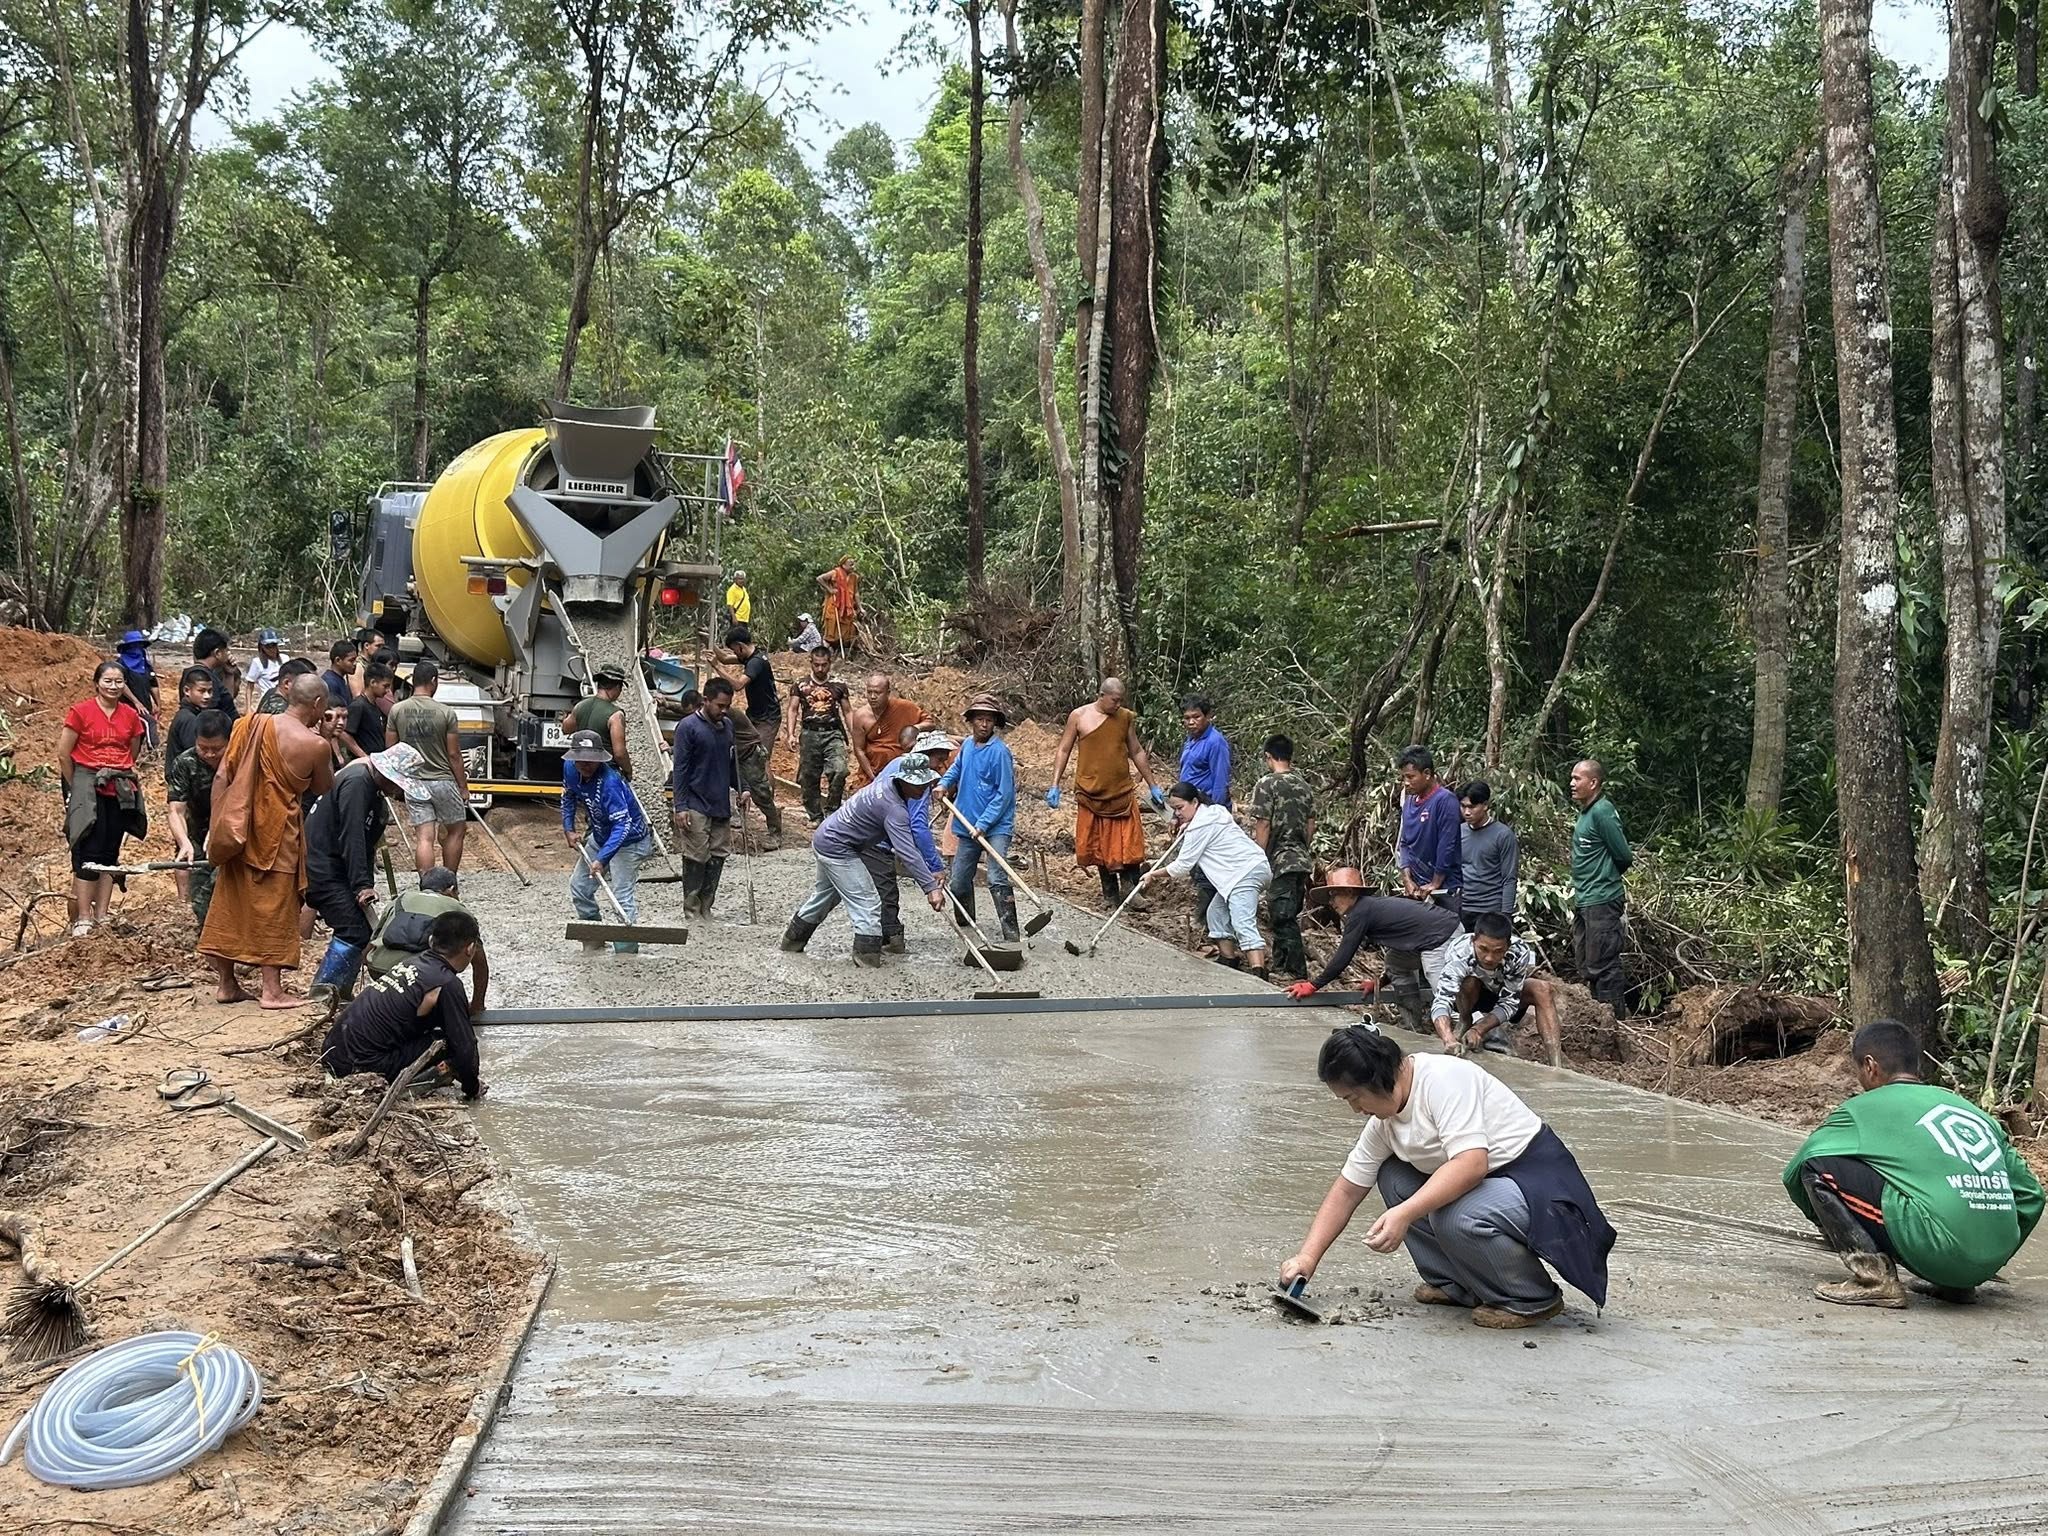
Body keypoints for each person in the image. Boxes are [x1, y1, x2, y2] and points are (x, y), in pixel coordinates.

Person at [1281, 1024, 1615, 1329]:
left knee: (1456, 1216)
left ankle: (1530, 1297)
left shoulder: (1442, 1079)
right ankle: (1457, 1284)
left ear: (1378, 1078)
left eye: (1354, 1098)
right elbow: (1347, 1190)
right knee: (1394, 1176)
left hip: (1540, 1186)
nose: (1355, 1109)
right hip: (1492, 1185)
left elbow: (1471, 1164)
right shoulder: (1384, 1123)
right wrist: (1307, 1258)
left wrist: (1404, 1213)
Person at [1784, 1018, 2042, 1307]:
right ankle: (1956, 1285)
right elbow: (2032, 1195)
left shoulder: (1861, 1109)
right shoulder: (1975, 1113)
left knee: (1817, 1167)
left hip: (1936, 1251)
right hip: (1985, 1264)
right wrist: (1988, 1253)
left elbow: (1795, 1172)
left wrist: (1834, 1227)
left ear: (1869, 1066)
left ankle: (1873, 1279)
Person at [200, 674, 336, 1007]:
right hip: (278, 834)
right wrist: (327, 738)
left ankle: (227, 984)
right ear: (318, 704)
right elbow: (323, 787)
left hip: (240, 829)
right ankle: (272, 990)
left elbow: (222, 775)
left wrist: (217, 826)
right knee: (275, 907)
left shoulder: (249, 724)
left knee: (231, 900)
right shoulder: (315, 745)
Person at [781, 754, 947, 966]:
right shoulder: (894, 809)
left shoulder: (885, 786)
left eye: (925, 783)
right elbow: (907, 851)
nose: (922, 788)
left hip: (827, 837)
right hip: (838, 848)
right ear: (903, 781)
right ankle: (867, 959)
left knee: (825, 896)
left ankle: (792, 942)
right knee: (867, 902)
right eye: (917, 784)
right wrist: (930, 887)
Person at [320, 909, 486, 1100]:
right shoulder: (447, 983)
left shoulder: (412, 963)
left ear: (431, 941)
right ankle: (417, 1085)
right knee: (445, 1043)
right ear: (470, 949)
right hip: (359, 1067)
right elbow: (465, 1047)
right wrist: (472, 1088)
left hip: (332, 1054)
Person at [304, 745, 421, 1003]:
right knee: (353, 930)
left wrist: (363, 883)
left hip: (337, 868)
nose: (398, 792)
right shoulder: (358, 782)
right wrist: (361, 884)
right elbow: (353, 836)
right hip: (323, 866)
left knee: (364, 930)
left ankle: (338, 992)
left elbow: (366, 845)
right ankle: (324, 994)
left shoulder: (372, 790)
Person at [1286, 868, 1461, 1030]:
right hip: (1431, 935)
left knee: (1440, 985)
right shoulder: (1367, 908)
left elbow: (1344, 955)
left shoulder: (1361, 911)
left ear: (1349, 892)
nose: (1331, 902)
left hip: (1442, 933)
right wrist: (1380, 983)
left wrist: (1313, 985)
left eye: (1333, 895)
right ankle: (1413, 1024)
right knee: (1395, 961)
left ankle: (1463, 1026)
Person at [1047, 677, 1162, 908]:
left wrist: (1152, 784)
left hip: (1121, 791)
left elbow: (1136, 750)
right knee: (1099, 845)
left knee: (1129, 843)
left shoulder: (1125, 718)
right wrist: (1055, 784)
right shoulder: (1079, 716)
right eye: (1114, 700)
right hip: (1091, 792)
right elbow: (1064, 749)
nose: (1118, 705)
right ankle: (1110, 894)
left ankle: (1131, 891)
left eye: (1120, 701)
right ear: (1101, 696)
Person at [1141, 781, 1272, 975]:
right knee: (1216, 914)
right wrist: (1187, 824)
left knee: (1242, 922)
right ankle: (1228, 959)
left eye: (1180, 808)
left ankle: (1259, 973)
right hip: (1245, 872)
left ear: (1195, 802)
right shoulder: (1214, 812)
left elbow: (1182, 866)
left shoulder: (1200, 826)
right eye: (1174, 809)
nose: (1177, 813)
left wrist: (1153, 874)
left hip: (1245, 872)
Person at [57, 660, 148, 935]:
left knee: (110, 850)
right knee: (88, 848)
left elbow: (132, 750)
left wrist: (117, 769)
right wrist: (77, 785)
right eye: (108, 681)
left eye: (119, 681)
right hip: (87, 783)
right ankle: (83, 917)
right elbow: (64, 753)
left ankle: (102, 915)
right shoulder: (80, 712)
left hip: (118, 786)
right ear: (97, 683)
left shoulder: (130, 715)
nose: (113, 686)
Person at [561, 728, 656, 955]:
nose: (586, 765)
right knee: (580, 887)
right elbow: (568, 796)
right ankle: (594, 938)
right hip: (601, 834)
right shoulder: (570, 769)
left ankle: (626, 951)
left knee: (620, 895)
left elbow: (622, 827)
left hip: (630, 840)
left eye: (591, 760)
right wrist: (569, 828)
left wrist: (602, 859)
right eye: (581, 760)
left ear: (599, 759)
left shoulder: (610, 782)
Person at [935, 695, 1019, 940]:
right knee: (959, 881)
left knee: (996, 876)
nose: (984, 724)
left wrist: (984, 824)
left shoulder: (1000, 752)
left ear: (995, 723)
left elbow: (1004, 794)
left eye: (989, 720)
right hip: (968, 823)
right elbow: (956, 769)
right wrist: (943, 784)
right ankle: (966, 922)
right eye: (980, 719)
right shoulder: (968, 747)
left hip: (995, 827)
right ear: (971, 721)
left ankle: (1011, 934)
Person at [1431, 913, 1563, 1068]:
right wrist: (1448, 1038)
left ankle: (1557, 1065)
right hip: (1470, 996)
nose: (1489, 958)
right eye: (1483, 949)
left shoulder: (1519, 952)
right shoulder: (1459, 951)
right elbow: (1442, 1000)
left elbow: (1510, 1002)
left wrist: (1479, 1029)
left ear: (1508, 946)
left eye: (1498, 951)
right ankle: (1465, 1021)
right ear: (1473, 940)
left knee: (1542, 989)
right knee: (1470, 981)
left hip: (1501, 993)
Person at [866, 727, 952, 952]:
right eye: (939, 760)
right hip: (874, 837)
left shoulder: (897, 763)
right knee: (886, 890)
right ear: (926, 755)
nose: (940, 767)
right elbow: (918, 826)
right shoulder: (916, 780)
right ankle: (888, 938)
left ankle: (883, 935)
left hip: (871, 830)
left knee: (869, 888)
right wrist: (935, 867)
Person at [389, 658, 468, 873]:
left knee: (424, 837)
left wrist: (397, 783)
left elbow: (392, 750)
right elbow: (454, 754)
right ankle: (449, 880)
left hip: (414, 784)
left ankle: (427, 883)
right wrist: (463, 787)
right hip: (442, 781)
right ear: (433, 680)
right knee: (456, 830)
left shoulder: (397, 710)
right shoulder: (446, 713)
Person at [365, 868, 486, 1004]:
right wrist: (477, 1004)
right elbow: (479, 961)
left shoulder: (401, 899)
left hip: (379, 969)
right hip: (420, 976)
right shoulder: (458, 909)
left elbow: (374, 939)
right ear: (451, 890)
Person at [1250, 734, 1315, 981]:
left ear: (1268, 756)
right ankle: (1280, 966)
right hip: (1301, 859)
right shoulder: (1304, 785)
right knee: (1285, 913)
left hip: (1280, 859)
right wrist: (1303, 848)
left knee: (1282, 916)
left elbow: (1263, 823)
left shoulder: (1266, 784)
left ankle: (1295, 972)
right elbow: (1310, 824)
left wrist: (1259, 855)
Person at [671, 677, 737, 917]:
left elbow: (732, 763)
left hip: (720, 802)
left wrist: (743, 788)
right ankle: (691, 910)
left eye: (727, 706)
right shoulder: (688, 727)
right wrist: (680, 805)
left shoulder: (727, 726)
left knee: (718, 854)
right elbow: (680, 768)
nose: (724, 710)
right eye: (720, 705)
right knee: (696, 855)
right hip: (695, 801)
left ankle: (706, 906)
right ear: (706, 701)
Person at [1570, 758, 1631, 1016]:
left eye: (1577, 778)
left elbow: (1624, 856)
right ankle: (1598, 1019)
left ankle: (1615, 1022)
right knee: (1587, 963)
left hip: (1602, 899)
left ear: (1593, 783)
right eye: (1572, 778)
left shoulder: (1602, 811)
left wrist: (1604, 879)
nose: (1572, 783)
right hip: (1584, 898)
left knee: (1604, 964)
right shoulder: (1586, 813)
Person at [166, 709, 229, 930]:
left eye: (216, 749)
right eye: (204, 748)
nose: (210, 754)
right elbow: (176, 810)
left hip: (230, 833)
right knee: (200, 897)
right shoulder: (185, 763)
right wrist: (184, 842)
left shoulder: (240, 761)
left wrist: (218, 829)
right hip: (195, 834)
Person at [720, 626, 783, 849]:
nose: (734, 655)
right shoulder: (748, 656)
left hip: (767, 719)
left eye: (734, 650)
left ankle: (772, 812)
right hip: (755, 716)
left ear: (740, 646)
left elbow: (738, 685)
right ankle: (751, 806)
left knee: (761, 768)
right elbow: (726, 658)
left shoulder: (756, 662)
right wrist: (714, 651)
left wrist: (715, 667)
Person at [1177, 697, 1233, 941]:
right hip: (1190, 810)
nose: (1191, 722)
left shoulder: (1215, 743)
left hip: (1207, 812)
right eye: (1187, 718)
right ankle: (1207, 920)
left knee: (1207, 869)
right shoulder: (1190, 741)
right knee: (1194, 864)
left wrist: (1214, 816)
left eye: (1196, 717)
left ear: (1207, 716)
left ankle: (1209, 922)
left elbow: (1220, 783)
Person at [785, 645, 852, 823]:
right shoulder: (800, 684)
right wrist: (790, 734)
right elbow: (792, 709)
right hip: (809, 734)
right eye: (816, 665)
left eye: (824, 665)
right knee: (808, 777)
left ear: (830, 663)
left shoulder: (839, 685)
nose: (820, 669)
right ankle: (815, 816)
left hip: (833, 733)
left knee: (840, 770)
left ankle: (832, 811)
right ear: (811, 663)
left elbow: (848, 712)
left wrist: (855, 736)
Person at [1395, 745, 1461, 912]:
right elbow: (1405, 843)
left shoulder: (1445, 801)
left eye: (1411, 777)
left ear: (1427, 774)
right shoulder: (1409, 802)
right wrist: (1407, 879)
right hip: (1417, 889)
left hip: (1444, 890)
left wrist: (1435, 883)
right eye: (1403, 777)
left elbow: (1447, 845)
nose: (1406, 783)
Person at [1457, 781, 1518, 933]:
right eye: (1463, 806)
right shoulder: (1458, 831)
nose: (1467, 812)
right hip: (1461, 907)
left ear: (1485, 805)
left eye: (1472, 807)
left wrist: (1506, 915)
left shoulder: (1503, 835)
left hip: (1489, 910)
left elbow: (1509, 878)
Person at [848, 673, 927, 786]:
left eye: (877, 693)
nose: (873, 697)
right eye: (869, 692)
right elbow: (859, 749)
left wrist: (914, 729)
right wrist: (873, 777)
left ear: (888, 693)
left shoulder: (904, 707)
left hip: (903, 767)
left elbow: (929, 722)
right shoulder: (860, 716)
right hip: (875, 769)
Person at [568, 664, 632, 779]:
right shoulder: (615, 715)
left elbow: (566, 728)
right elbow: (619, 753)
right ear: (617, 687)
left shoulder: (580, 706)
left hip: (581, 769)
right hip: (604, 771)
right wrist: (628, 771)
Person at [163, 665, 216, 775]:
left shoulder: (191, 713)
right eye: (201, 691)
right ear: (187, 690)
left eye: (210, 691)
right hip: (183, 779)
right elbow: (195, 754)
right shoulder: (189, 719)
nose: (207, 696)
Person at [113, 630, 159, 747]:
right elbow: (122, 684)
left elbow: (153, 684)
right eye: (133, 646)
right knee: (149, 723)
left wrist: (158, 704)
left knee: (140, 733)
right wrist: (136, 702)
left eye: (139, 645)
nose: (137, 649)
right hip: (128, 706)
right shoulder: (121, 664)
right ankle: (154, 750)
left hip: (145, 705)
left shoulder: (145, 665)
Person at [344, 663, 394, 758]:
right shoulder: (358, 705)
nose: (387, 690)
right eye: (385, 686)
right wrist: (362, 755)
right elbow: (345, 734)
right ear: (373, 682)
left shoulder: (375, 705)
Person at [193, 628, 241, 721]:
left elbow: (226, 703)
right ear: (217, 653)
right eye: (226, 650)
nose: (228, 654)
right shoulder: (206, 680)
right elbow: (216, 716)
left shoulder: (201, 674)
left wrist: (229, 674)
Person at [818, 556, 861, 655]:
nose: (853, 567)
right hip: (834, 606)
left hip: (847, 608)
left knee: (847, 631)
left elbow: (856, 593)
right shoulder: (835, 573)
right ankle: (824, 652)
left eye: (854, 564)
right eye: (851, 565)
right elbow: (820, 578)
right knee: (831, 631)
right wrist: (830, 589)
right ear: (843, 565)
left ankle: (844, 652)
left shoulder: (854, 577)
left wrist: (860, 608)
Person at [243, 629, 286, 709]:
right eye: (268, 646)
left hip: (284, 700)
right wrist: (248, 708)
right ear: (262, 647)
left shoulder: (285, 659)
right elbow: (249, 687)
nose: (272, 649)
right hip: (269, 702)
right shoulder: (257, 663)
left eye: (274, 645)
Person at [319, 639, 358, 710]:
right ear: (338, 660)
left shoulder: (340, 680)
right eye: (351, 660)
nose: (355, 664)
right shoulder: (330, 682)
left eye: (355, 660)